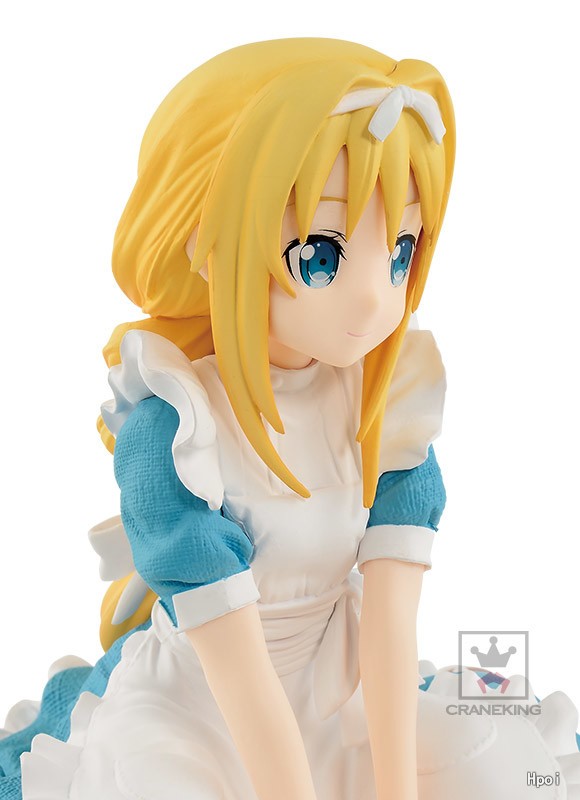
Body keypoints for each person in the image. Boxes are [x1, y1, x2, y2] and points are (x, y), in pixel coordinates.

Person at [1, 37, 579, 800]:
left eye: (400, 252)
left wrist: (396, 790)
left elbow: (390, 621)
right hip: (199, 711)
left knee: (498, 770)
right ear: (206, 243)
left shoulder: (386, 401)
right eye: (320, 255)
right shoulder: (177, 427)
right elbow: (238, 671)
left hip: (338, 696)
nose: (374, 297)